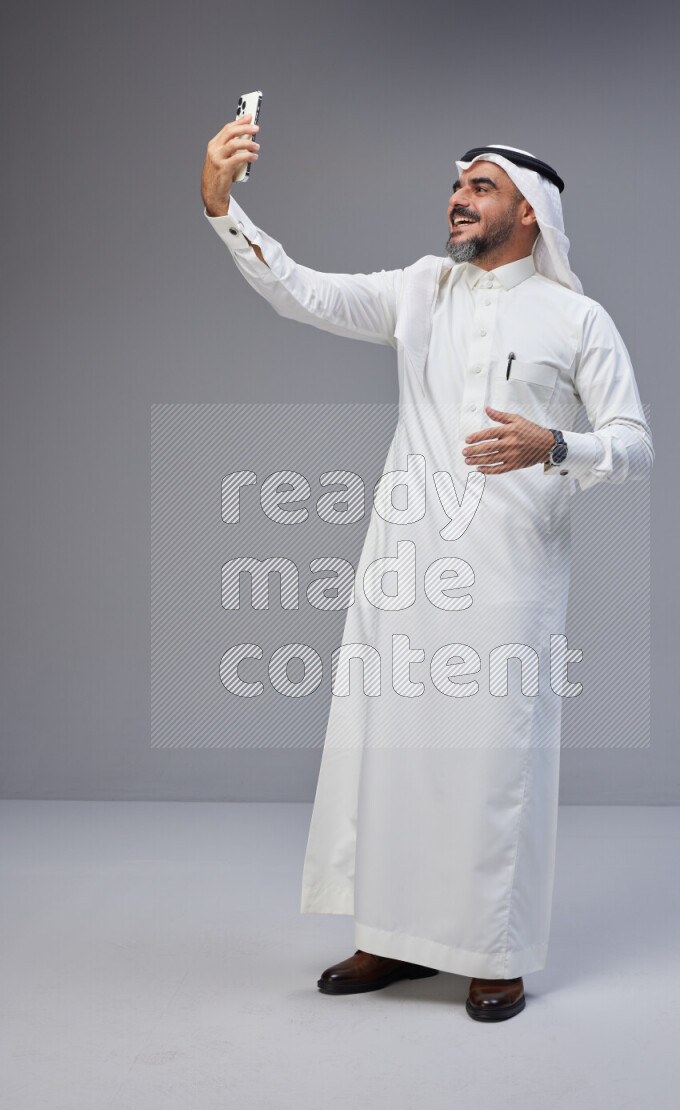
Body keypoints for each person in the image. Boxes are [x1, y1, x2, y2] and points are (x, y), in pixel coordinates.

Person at [201, 116, 653, 1022]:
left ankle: (495, 953)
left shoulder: (577, 318)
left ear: (530, 213)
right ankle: (392, 937)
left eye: (481, 187)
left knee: (493, 760)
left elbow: (635, 445)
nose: (458, 199)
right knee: (392, 751)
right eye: (456, 186)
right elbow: (301, 291)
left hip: (510, 573)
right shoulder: (420, 290)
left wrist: (555, 443)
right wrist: (222, 206)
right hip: (404, 566)